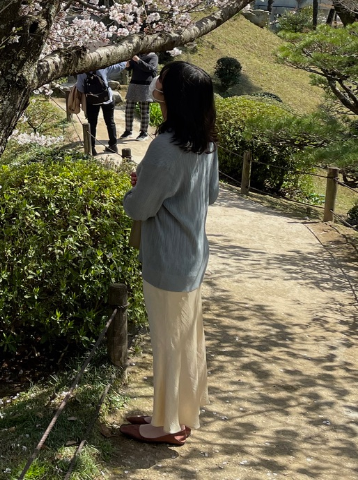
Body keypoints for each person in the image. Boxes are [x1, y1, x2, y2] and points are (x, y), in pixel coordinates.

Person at [120, 61, 219, 446]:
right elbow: (209, 194)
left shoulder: (166, 145)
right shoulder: (205, 140)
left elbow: (138, 208)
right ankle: (177, 413)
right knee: (185, 340)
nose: (156, 82)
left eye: (162, 79)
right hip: (192, 256)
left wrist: (138, 189)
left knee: (167, 343)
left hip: (165, 259)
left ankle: (166, 426)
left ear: (168, 93)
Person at [76, 62, 126, 155]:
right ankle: (113, 145)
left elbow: (80, 87)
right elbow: (118, 67)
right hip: (106, 98)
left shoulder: (82, 70)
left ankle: (92, 148)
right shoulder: (103, 65)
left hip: (91, 100)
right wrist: (126, 62)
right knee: (110, 122)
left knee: (92, 123)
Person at [121, 52, 159, 141]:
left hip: (145, 85)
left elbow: (150, 68)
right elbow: (130, 68)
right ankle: (128, 130)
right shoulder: (137, 55)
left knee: (144, 111)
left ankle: (144, 132)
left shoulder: (153, 56)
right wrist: (128, 65)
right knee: (129, 109)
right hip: (133, 84)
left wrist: (138, 60)